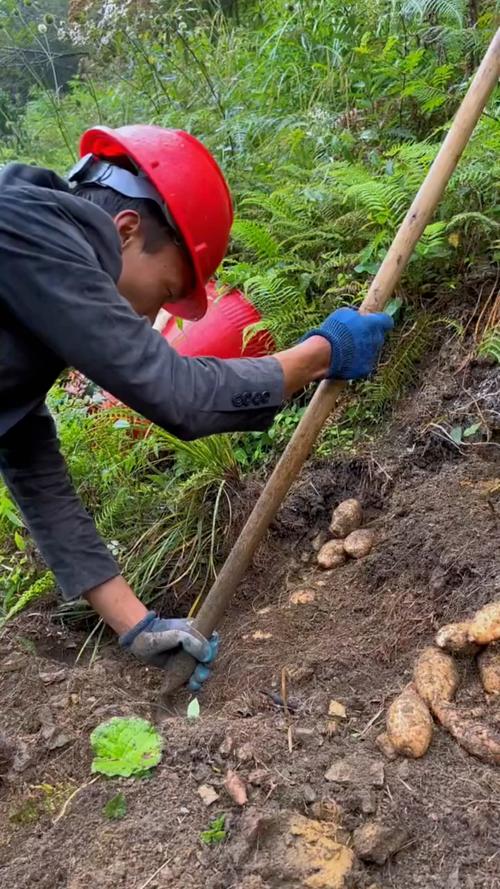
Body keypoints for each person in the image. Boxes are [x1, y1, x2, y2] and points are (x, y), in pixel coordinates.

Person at [0, 124, 393, 690]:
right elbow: (176, 392)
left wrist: (137, 627)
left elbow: (31, 462)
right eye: (163, 293)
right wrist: (319, 355)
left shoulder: (27, 283)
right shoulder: (27, 227)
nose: (145, 318)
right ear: (127, 230)